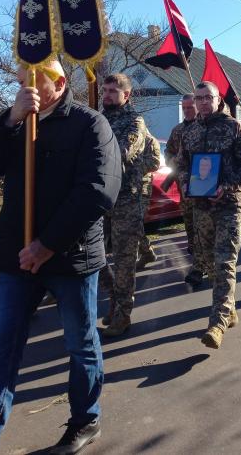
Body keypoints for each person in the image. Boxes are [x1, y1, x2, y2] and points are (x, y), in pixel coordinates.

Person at [0, 60, 121, 455]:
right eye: (20, 82)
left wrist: (47, 244)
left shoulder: (90, 125)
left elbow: (98, 192)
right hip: (19, 258)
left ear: (60, 83)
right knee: (1, 348)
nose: (24, 88)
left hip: (71, 258)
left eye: (33, 81)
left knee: (80, 343)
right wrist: (11, 118)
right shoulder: (18, 122)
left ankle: (85, 420)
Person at [176, 81, 241, 349]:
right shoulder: (190, 131)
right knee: (211, 264)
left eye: (206, 97)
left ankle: (217, 323)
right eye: (198, 98)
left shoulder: (234, 126)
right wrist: (186, 182)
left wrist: (228, 185)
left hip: (228, 205)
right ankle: (229, 308)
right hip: (201, 208)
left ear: (217, 98)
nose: (201, 102)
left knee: (224, 263)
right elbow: (182, 164)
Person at [99, 73, 147, 337]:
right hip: (99, 199)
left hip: (126, 199)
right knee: (94, 256)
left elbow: (121, 153)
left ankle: (122, 314)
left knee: (124, 260)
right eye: (104, 90)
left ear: (126, 95)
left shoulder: (134, 122)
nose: (106, 95)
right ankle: (114, 300)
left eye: (112, 91)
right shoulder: (98, 119)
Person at [165, 94, 206, 286]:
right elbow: (169, 153)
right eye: (185, 108)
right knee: (190, 227)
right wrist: (175, 163)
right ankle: (197, 257)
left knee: (203, 227)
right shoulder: (178, 130)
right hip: (185, 188)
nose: (187, 111)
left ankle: (201, 266)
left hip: (205, 185)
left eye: (191, 107)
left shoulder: (205, 127)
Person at [136, 128, 162, 269]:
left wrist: (133, 166)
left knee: (135, 221)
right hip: (127, 187)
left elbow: (155, 163)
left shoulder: (150, 141)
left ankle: (145, 252)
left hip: (142, 187)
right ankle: (146, 252)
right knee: (132, 223)